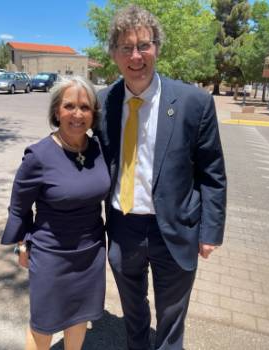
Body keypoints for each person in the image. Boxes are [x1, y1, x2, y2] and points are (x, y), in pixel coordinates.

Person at [96, 5, 227, 350]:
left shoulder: (194, 102)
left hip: (175, 229)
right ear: (114, 55)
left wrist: (210, 231)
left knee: (172, 315)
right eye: (126, 47)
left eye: (144, 45)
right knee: (133, 311)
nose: (136, 56)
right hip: (123, 227)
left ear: (157, 48)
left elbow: (212, 173)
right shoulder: (102, 103)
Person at [1, 76, 110, 350]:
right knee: (44, 324)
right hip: (51, 254)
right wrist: (22, 243)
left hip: (91, 251)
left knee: (79, 318)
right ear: (56, 112)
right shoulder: (38, 156)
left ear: (93, 114)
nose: (77, 114)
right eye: (69, 106)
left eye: (85, 107)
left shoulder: (98, 149)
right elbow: (19, 206)